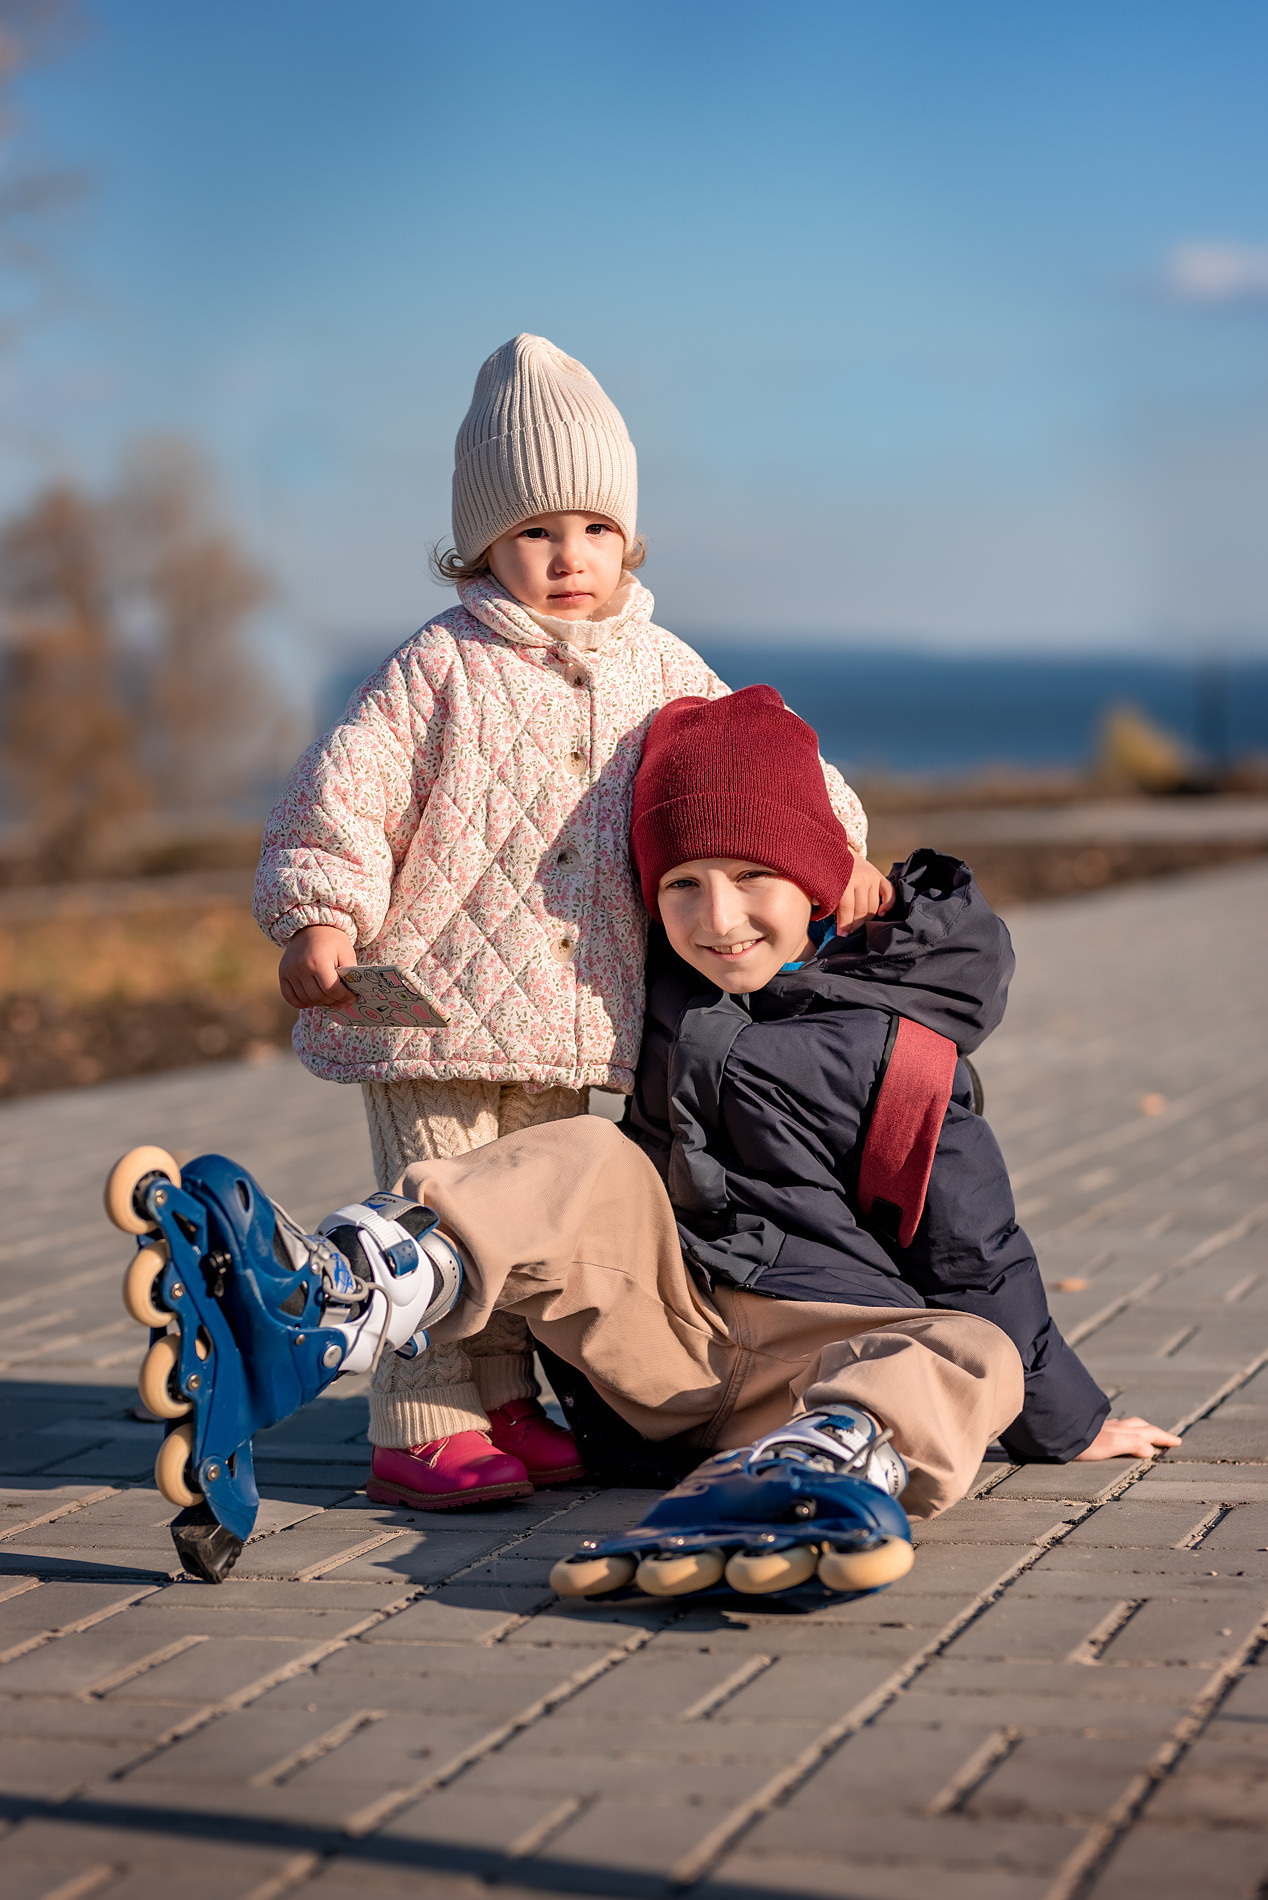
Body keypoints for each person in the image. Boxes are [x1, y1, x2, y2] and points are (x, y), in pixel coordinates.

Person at [253, 335, 887, 1511]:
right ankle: (423, 1415)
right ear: (482, 541)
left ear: (629, 538)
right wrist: (321, 913)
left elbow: (759, 758)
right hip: (431, 1001)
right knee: (436, 1197)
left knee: (529, 1212)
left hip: (567, 1007)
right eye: (535, 532)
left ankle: (506, 1401)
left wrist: (834, 845)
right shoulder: (436, 666)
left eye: (595, 530)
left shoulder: (660, 667)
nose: (567, 557)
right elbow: (350, 785)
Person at [602, 683, 1181, 1471]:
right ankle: (402, 1256)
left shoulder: (893, 1050)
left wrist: (1066, 1427)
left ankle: (825, 1459)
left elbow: (972, 1251)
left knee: (971, 1353)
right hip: (674, 1360)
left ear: (817, 880)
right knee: (573, 1160)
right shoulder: (670, 990)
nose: (718, 919)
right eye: (682, 885)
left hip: (841, 1348)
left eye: (750, 876)